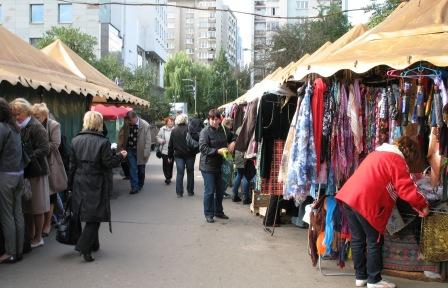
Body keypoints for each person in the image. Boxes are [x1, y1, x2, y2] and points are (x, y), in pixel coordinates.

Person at [336, 137, 429, 288]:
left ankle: (360, 277)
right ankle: (374, 280)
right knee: (374, 241)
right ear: (410, 155)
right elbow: (407, 189)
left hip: (349, 197)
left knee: (358, 239)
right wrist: (423, 205)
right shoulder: (397, 159)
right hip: (367, 202)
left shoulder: (376, 153)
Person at [68, 111, 127, 262]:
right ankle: (84, 247)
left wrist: (69, 185)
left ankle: (94, 244)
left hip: (79, 181)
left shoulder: (76, 140)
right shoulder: (103, 142)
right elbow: (108, 163)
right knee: (95, 216)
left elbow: (72, 165)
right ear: (99, 123)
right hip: (97, 182)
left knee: (87, 214)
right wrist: (121, 156)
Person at [10, 98, 50, 250]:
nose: (15, 117)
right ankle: (30, 235)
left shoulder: (36, 126)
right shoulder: (19, 126)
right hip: (25, 171)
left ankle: (38, 237)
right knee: (27, 207)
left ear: (26, 112)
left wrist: (27, 156)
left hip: (37, 171)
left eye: (18, 114)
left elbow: (45, 149)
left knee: (37, 207)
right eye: (14, 114)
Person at [31, 103, 67, 237]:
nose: (34, 118)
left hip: (49, 162)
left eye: (37, 116)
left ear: (45, 115)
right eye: (33, 116)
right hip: (36, 163)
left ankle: (47, 223)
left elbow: (55, 144)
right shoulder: (32, 125)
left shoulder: (53, 125)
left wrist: (38, 148)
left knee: (50, 194)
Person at [0, 98, 24, 263]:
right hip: (18, 174)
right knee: (18, 213)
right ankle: (19, 250)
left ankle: (10, 252)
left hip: (6, 175)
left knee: (7, 215)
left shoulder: (2, 128)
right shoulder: (15, 127)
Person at [199, 109, 234, 223]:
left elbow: (235, 136)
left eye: (216, 119)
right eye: (212, 119)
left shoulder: (224, 130)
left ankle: (218, 211)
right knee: (210, 191)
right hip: (207, 166)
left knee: (220, 191)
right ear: (209, 119)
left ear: (220, 119)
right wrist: (217, 151)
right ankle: (208, 213)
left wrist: (233, 142)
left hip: (221, 165)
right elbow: (203, 148)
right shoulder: (204, 132)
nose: (214, 121)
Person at [118, 111, 151, 194]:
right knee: (133, 169)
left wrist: (146, 152)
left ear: (135, 118)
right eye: (128, 121)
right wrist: (121, 147)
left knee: (141, 170)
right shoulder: (127, 124)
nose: (129, 122)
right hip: (130, 150)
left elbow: (148, 140)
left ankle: (140, 184)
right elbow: (121, 135)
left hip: (141, 150)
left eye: (130, 120)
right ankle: (134, 187)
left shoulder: (145, 125)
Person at [168, 114, 196, 197]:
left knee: (180, 173)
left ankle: (179, 192)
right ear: (185, 120)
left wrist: (169, 156)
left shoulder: (174, 130)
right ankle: (190, 191)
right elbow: (195, 139)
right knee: (190, 172)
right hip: (190, 154)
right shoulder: (190, 129)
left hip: (178, 155)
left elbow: (170, 145)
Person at [232, 126, 251, 204]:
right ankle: (245, 197)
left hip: (238, 153)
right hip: (244, 154)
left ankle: (234, 194)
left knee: (239, 175)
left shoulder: (239, 128)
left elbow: (235, 141)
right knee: (246, 176)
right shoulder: (248, 128)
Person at [156, 117, 174, 185]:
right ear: (166, 122)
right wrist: (161, 141)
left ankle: (170, 176)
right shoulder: (162, 129)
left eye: (172, 121)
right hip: (164, 150)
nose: (171, 123)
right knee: (166, 164)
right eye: (169, 121)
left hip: (172, 151)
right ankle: (167, 177)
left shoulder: (174, 129)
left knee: (171, 164)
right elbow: (158, 137)